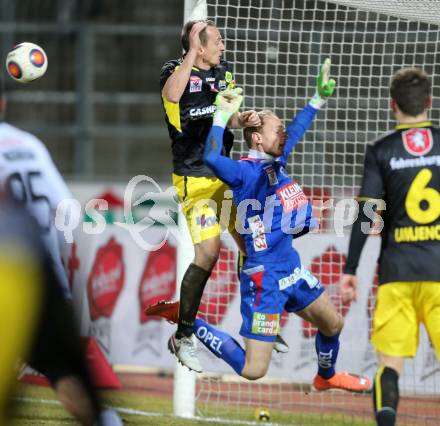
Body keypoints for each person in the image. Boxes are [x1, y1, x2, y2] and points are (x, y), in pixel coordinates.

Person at [149, 60, 371, 392]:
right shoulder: (244, 173)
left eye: (282, 131)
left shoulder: (276, 160)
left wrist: (317, 100)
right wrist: (221, 116)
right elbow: (210, 157)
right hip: (265, 278)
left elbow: (295, 131)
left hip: (291, 269)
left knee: (333, 323)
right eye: (276, 130)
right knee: (254, 370)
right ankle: (191, 324)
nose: (283, 134)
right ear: (256, 139)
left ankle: (326, 376)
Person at [0, 76, 122, 425]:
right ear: (4, 104)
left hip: (6, 279)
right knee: (69, 380)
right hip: (43, 279)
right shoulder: (29, 145)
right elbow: (67, 209)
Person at [160, 18, 269, 372]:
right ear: (199, 46)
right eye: (217, 41)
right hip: (195, 178)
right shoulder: (173, 72)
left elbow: (227, 118)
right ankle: (184, 334)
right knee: (208, 252)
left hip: (224, 172)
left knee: (254, 243)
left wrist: (244, 119)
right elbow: (172, 97)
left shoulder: (224, 73)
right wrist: (190, 52)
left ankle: (255, 323)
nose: (223, 46)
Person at [339, 67, 440, 425]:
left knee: (389, 366)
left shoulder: (381, 150)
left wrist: (350, 270)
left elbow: (366, 214)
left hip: (397, 273)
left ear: (391, 106)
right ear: (429, 102)